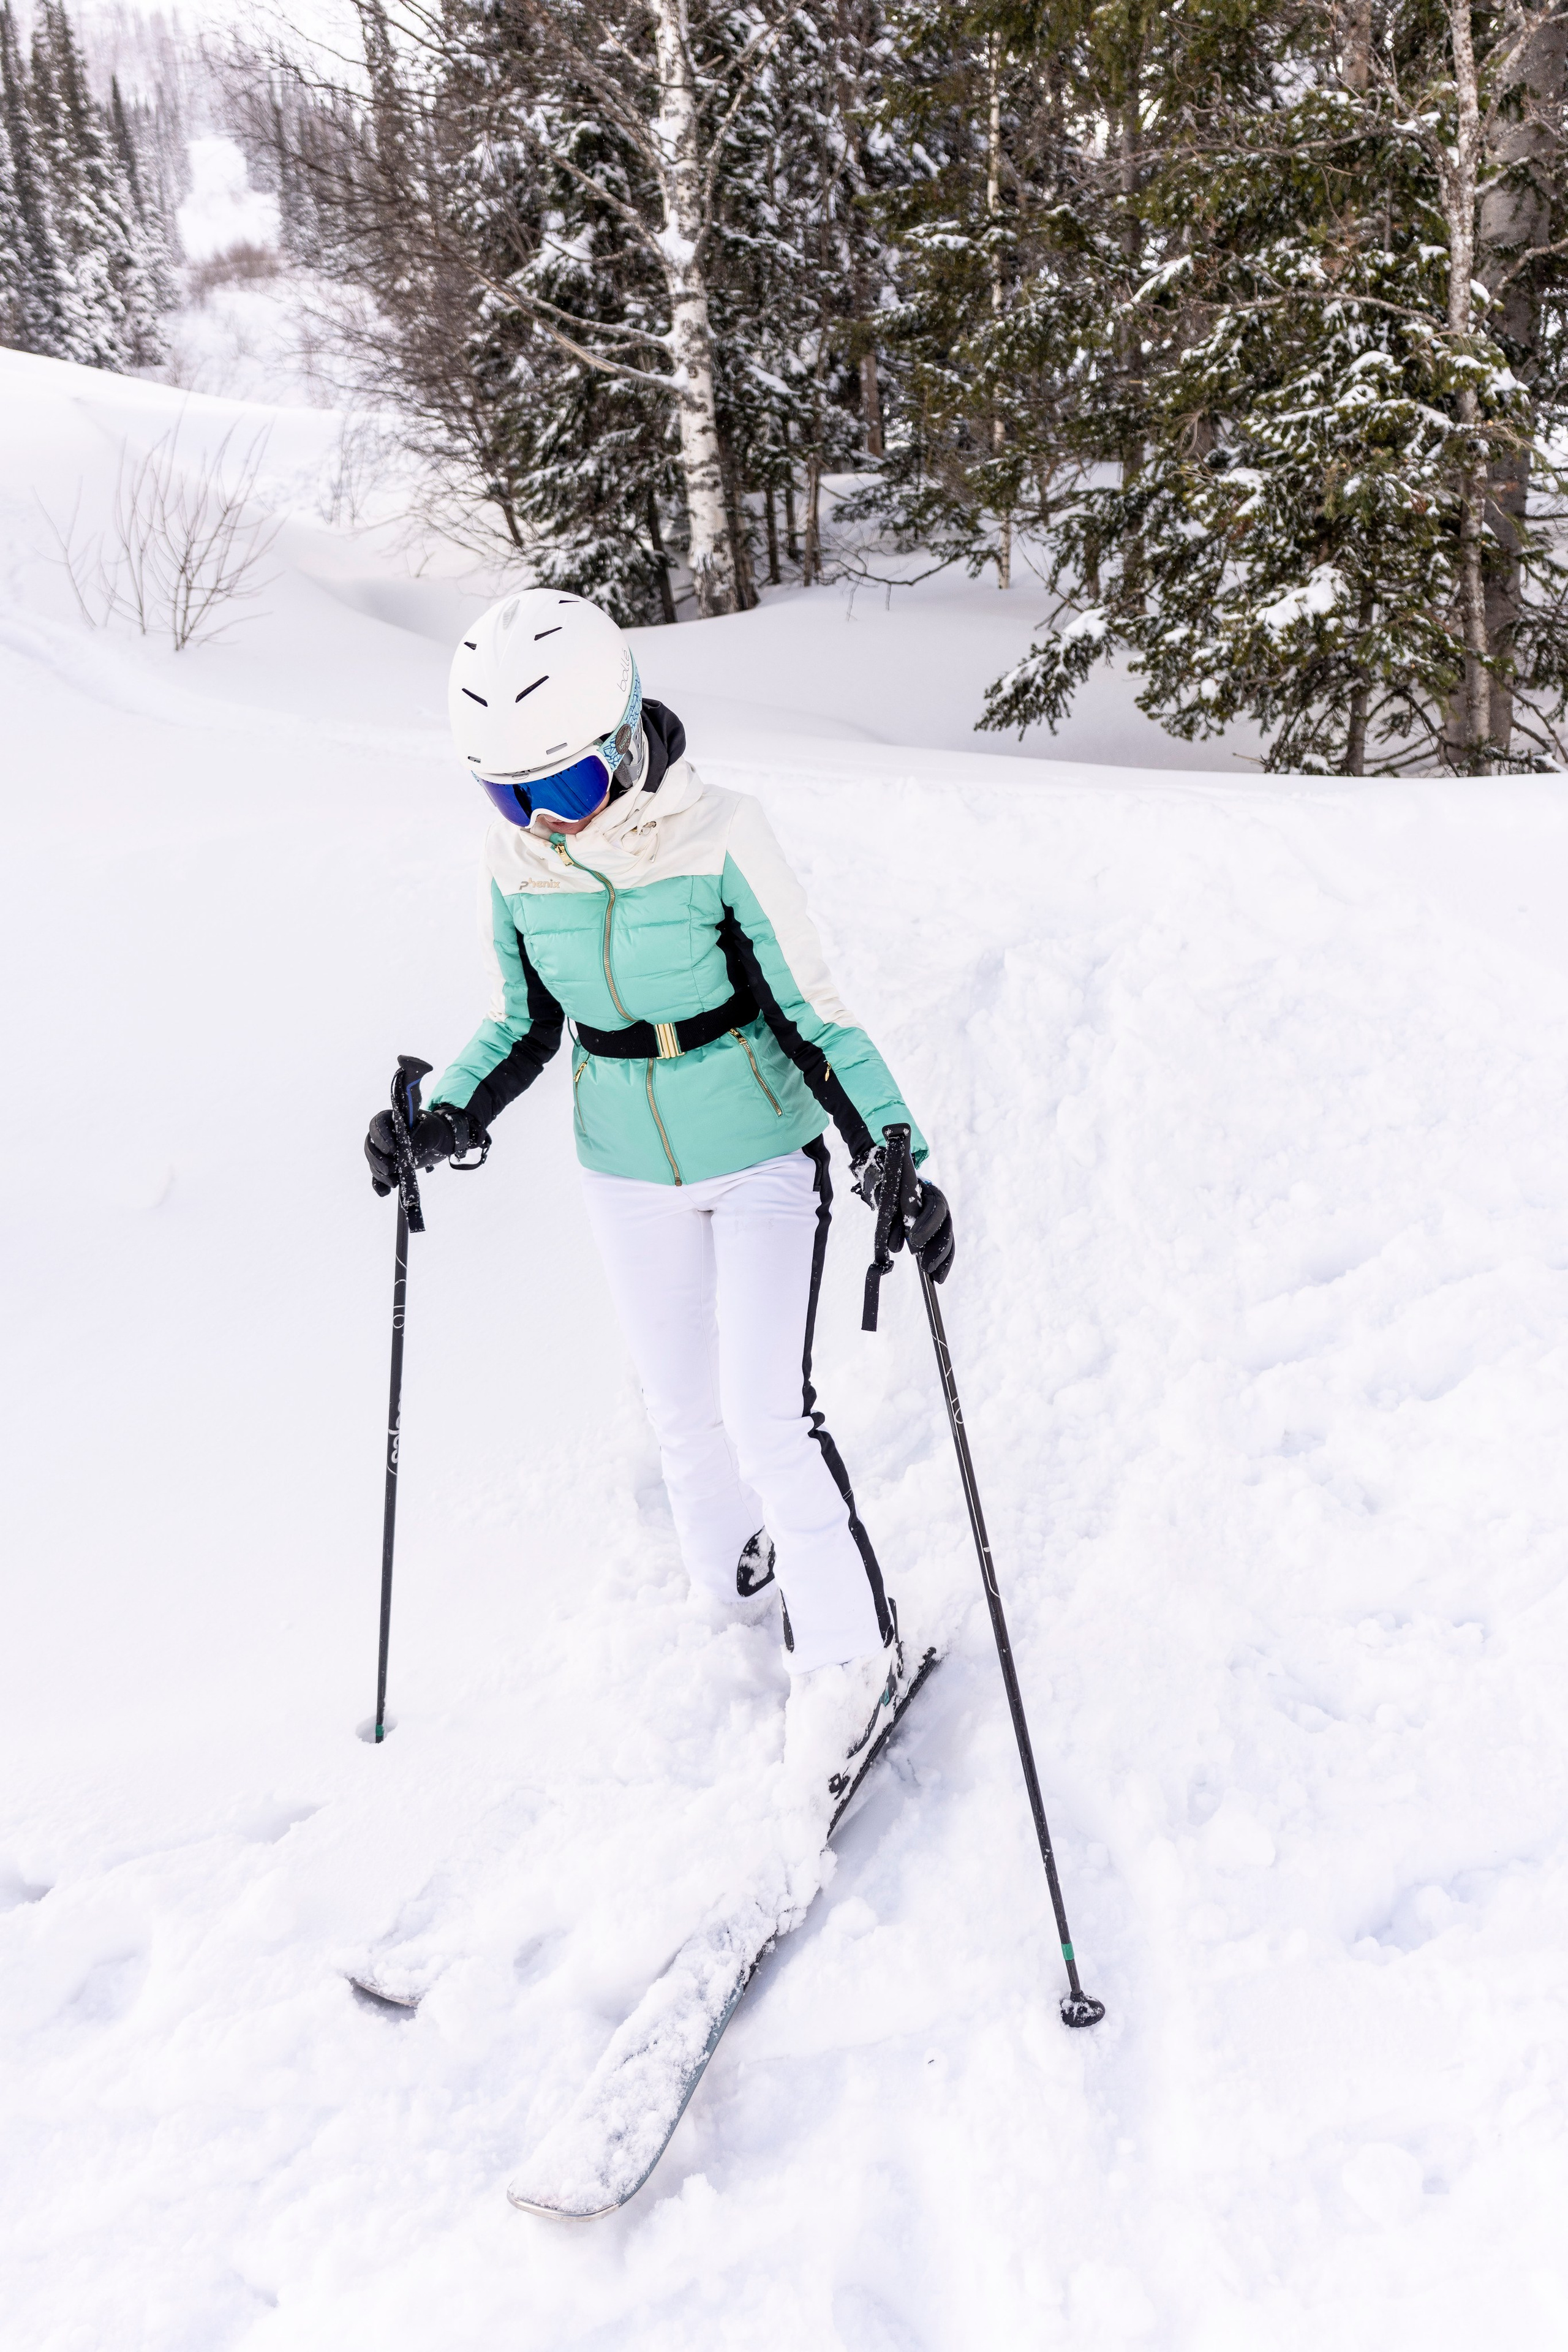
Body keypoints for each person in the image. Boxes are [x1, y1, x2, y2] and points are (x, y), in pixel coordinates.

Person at [364, 589, 953, 1820]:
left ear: (625, 738)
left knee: (765, 1414)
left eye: (564, 788)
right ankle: (736, 1603)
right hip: (623, 1165)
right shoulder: (517, 867)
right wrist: (443, 1115)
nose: (543, 821)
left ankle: (852, 1653)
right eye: (510, 798)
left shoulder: (723, 837)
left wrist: (889, 1146)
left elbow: (814, 1012)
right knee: (682, 1414)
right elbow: (525, 1022)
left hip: (760, 1153)